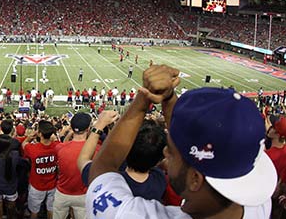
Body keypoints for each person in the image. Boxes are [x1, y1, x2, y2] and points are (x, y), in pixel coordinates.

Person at [85, 64, 275, 218]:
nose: (165, 153)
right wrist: (168, 98)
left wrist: (143, 99)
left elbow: (101, 170)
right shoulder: (259, 204)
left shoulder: (129, 214)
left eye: (172, 151)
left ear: (195, 179)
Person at [53, 113, 92, 219]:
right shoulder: (95, 149)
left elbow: (64, 145)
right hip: (83, 195)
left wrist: (70, 132)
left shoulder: (60, 148)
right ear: (88, 128)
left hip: (62, 193)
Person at [23, 121, 62, 219]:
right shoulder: (58, 146)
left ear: (39, 133)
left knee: (34, 211)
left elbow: (24, 144)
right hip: (52, 185)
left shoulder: (33, 149)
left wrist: (29, 137)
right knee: (51, 210)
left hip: (37, 186)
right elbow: (57, 141)